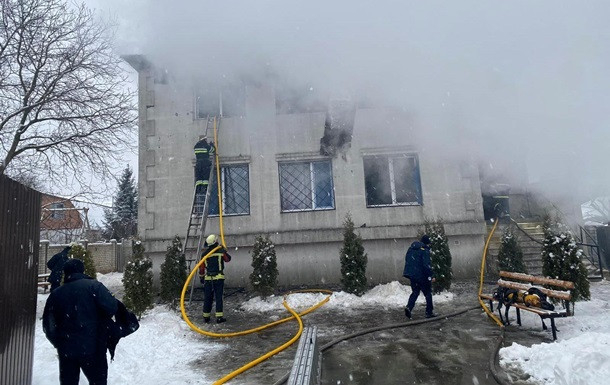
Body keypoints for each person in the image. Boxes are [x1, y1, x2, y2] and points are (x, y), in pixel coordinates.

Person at [43, 258, 118, 385]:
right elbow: (112, 307)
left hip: (67, 351)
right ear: (82, 270)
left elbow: (48, 325)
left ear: (65, 273)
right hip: (94, 347)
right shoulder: (94, 286)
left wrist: (59, 343)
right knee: (98, 382)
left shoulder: (56, 294)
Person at [198, 234, 231, 323]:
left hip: (208, 279)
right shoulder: (220, 251)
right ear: (215, 242)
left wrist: (201, 277)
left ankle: (206, 317)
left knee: (208, 298)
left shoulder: (204, 254)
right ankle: (219, 317)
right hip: (218, 278)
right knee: (218, 297)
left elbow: (201, 268)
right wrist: (224, 251)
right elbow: (228, 259)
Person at [403, 235, 438, 319]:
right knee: (428, 293)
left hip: (412, 275)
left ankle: (409, 307)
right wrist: (430, 276)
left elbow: (407, 260)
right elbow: (426, 265)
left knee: (415, 292)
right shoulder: (424, 251)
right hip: (421, 276)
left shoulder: (411, 249)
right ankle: (429, 312)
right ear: (427, 243)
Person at [193, 135, 216, 212]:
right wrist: (212, 145)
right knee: (205, 177)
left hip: (198, 163)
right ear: (204, 139)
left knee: (199, 178)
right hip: (205, 163)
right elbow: (213, 150)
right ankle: (205, 189)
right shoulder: (205, 145)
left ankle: (199, 189)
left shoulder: (196, 146)